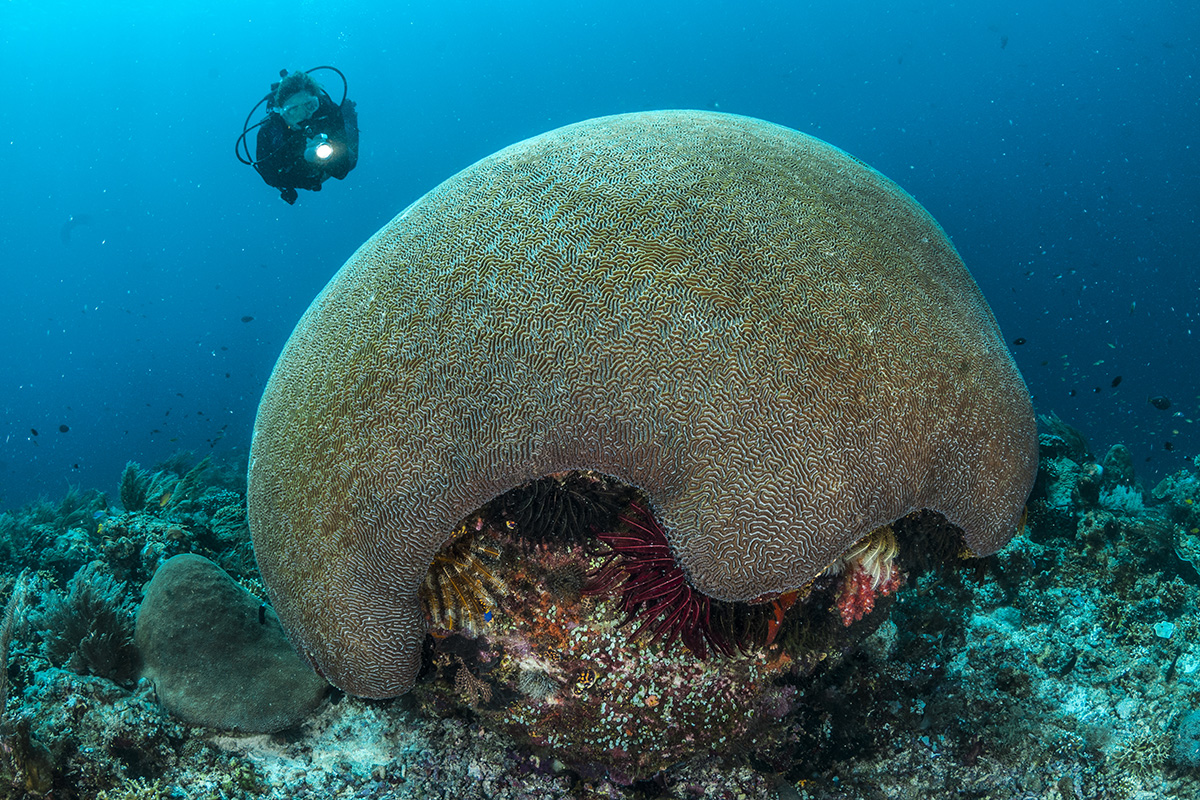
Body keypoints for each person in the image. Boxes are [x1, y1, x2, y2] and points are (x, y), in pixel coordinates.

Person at [253, 70, 359, 204]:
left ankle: (348, 111)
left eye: (310, 105)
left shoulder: (328, 110)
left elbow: (341, 171)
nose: (304, 115)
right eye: (293, 110)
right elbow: (270, 176)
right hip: (299, 169)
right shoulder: (269, 132)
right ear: (281, 112)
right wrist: (307, 181)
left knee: (351, 160)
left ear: (317, 101)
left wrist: (329, 153)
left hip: (330, 143)